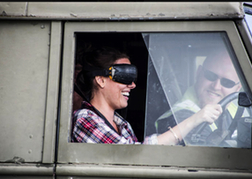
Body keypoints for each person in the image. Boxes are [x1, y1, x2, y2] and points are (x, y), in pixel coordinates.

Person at [71, 46, 228, 145]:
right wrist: (195, 119)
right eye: (125, 76)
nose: (132, 85)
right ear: (100, 80)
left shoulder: (122, 124)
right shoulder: (85, 119)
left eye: (133, 78)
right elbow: (131, 157)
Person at [155, 49, 242, 146]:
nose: (216, 86)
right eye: (210, 76)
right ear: (198, 72)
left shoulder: (235, 108)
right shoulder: (184, 116)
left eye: (227, 83)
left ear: (238, 88)